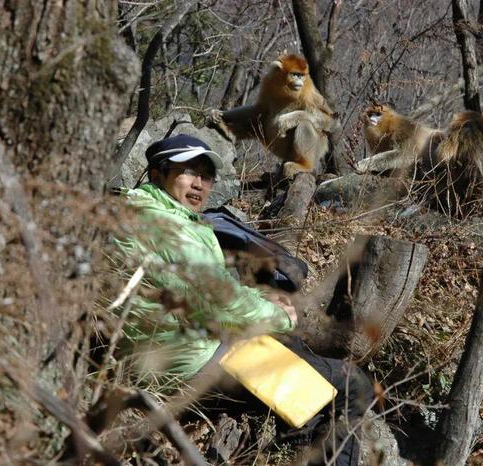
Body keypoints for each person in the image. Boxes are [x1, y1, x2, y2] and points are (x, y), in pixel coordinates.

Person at [112, 133, 373, 466]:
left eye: (206, 176)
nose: (199, 184)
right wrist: (278, 316)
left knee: (304, 371)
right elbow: (215, 298)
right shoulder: (160, 222)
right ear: (158, 174)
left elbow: (210, 288)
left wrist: (263, 302)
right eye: (189, 171)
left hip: (186, 348)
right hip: (193, 358)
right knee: (351, 386)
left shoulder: (160, 215)